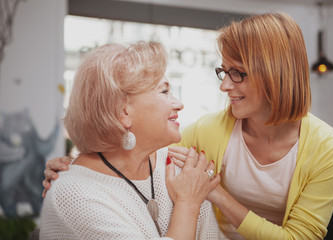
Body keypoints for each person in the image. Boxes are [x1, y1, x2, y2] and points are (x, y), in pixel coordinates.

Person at [43, 12, 333, 240]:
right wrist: (80, 165)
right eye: (223, 71)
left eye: (238, 73)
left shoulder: (326, 146)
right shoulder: (205, 133)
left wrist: (213, 194)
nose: (224, 86)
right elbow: (130, 155)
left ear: (275, 76)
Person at [39, 42, 221, 240]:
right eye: (164, 91)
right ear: (123, 112)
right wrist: (188, 203)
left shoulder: (178, 168)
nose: (179, 104)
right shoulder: (72, 195)